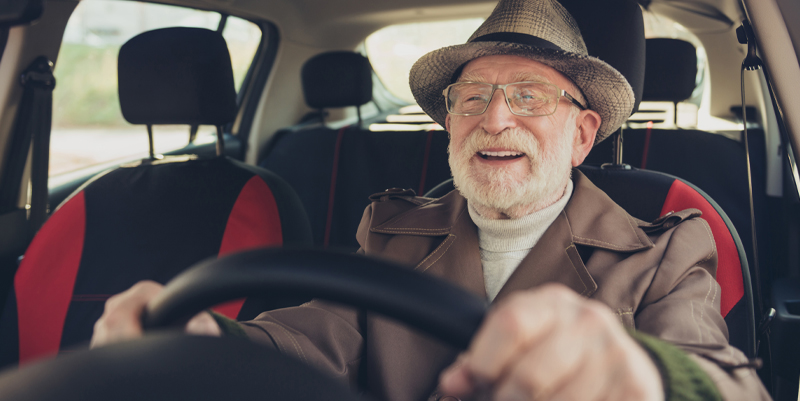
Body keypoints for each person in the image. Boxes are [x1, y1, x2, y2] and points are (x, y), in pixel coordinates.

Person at [91, 0, 771, 400]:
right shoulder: (390, 227)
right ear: (450, 124)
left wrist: (647, 375)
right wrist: (213, 338)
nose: (494, 119)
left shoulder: (666, 249)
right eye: (472, 97)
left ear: (583, 132)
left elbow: (729, 380)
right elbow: (314, 337)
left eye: (529, 96)